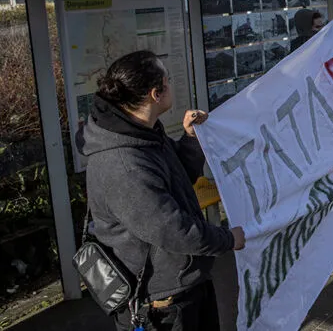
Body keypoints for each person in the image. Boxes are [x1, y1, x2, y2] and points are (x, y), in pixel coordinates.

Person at [79, 50, 246, 331]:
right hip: (162, 303)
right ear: (156, 94)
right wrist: (227, 239)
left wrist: (191, 139)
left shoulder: (139, 132)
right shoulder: (124, 163)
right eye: (168, 80)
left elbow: (176, 175)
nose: (172, 84)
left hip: (182, 284)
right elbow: (172, 229)